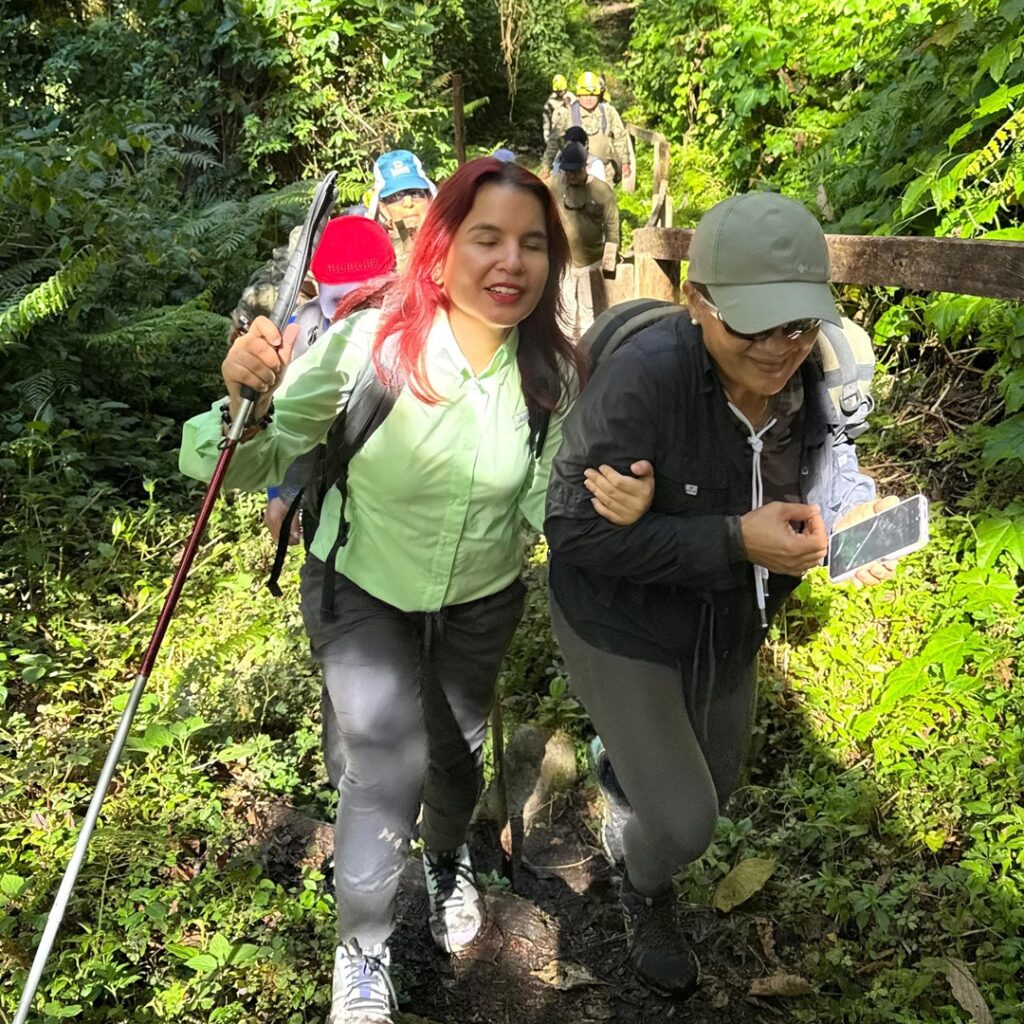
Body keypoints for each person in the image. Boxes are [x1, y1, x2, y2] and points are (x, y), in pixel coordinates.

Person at [180, 157, 597, 1024]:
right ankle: (362, 951)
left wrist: (610, 510)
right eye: (486, 237)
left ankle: (445, 856)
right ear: (440, 252)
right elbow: (254, 458)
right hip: (361, 586)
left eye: (531, 244)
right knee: (385, 762)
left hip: (479, 602)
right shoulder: (366, 344)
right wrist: (242, 400)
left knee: (457, 759)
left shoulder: (554, 376)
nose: (510, 261)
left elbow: (544, 507)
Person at [544, 192, 899, 998]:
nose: (778, 349)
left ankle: (631, 791)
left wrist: (854, 510)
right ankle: (643, 886)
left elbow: (830, 467)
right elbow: (570, 531)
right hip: (616, 617)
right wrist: (736, 539)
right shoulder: (644, 379)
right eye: (753, 326)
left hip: (728, 618)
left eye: (798, 325)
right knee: (686, 822)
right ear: (697, 303)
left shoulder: (822, 370)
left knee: (717, 783)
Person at [263, 216, 397, 548]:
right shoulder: (302, 333)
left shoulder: (425, 332)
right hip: (325, 498)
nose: (354, 315)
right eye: (339, 302)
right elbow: (288, 421)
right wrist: (284, 492)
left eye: (366, 300)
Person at [549, 140, 619, 340]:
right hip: (565, 262)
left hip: (591, 262)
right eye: (567, 172)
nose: (571, 176)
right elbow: (536, 196)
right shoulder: (556, 184)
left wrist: (609, 258)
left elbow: (613, 227)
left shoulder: (602, 192)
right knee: (566, 312)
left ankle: (588, 351)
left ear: (585, 168)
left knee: (588, 312)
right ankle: (566, 353)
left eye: (575, 172)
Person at [541, 71, 631, 184]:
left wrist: (625, 162)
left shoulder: (608, 112)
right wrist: (546, 167)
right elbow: (553, 142)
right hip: (573, 175)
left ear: (598, 95)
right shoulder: (567, 114)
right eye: (585, 95)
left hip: (603, 173)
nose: (589, 98)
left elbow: (620, 137)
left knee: (603, 200)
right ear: (578, 95)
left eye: (592, 95)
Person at [366, 149, 436, 270]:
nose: (408, 203)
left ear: (429, 200)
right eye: (396, 196)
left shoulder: (449, 247)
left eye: (415, 193)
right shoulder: (372, 256)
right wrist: (403, 239)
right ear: (383, 208)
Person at [541, 73, 574, 145]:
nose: (561, 93)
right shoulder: (551, 100)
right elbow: (546, 116)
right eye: (558, 91)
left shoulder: (571, 97)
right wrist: (546, 130)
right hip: (555, 132)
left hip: (570, 130)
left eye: (562, 91)